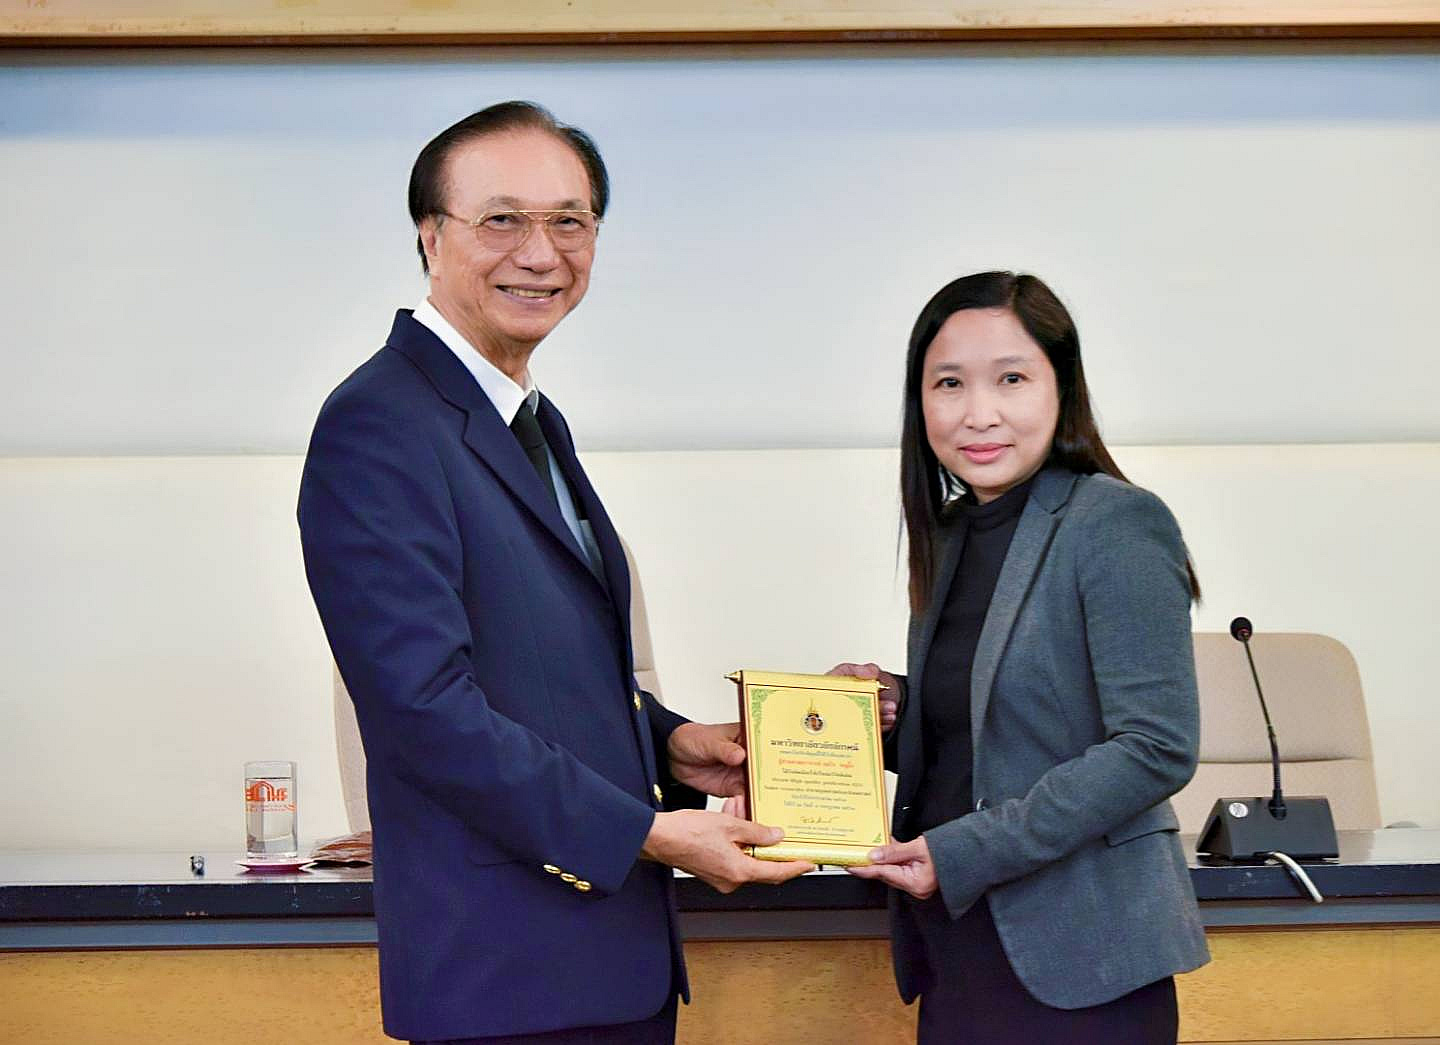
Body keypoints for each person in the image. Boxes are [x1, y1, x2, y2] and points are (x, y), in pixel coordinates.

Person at [298, 101, 810, 1045]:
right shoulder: (379, 424)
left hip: (600, 969)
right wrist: (645, 832)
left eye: (570, 222)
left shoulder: (528, 419)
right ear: (430, 236)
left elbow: (542, 673)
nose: (541, 253)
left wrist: (671, 742)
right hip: (507, 979)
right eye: (502, 219)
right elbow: (423, 710)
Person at [830, 271, 1210, 1042]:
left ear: (1061, 387)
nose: (979, 413)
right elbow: (992, 732)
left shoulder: (1116, 522)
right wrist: (887, 711)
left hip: (1082, 963)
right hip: (957, 947)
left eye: (1011, 379)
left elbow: (1155, 746)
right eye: (949, 383)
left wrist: (963, 850)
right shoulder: (951, 531)